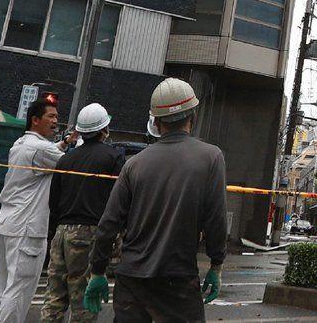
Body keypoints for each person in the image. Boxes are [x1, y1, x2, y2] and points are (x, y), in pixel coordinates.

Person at [84, 78, 226, 321]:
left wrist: (97, 271)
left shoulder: (134, 164)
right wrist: (216, 263)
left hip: (130, 281)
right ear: (193, 114)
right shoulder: (211, 158)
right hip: (178, 279)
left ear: (156, 122)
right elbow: (216, 218)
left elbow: (109, 224)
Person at [0, 99, 77, 323]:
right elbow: (70, 164)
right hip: (27, 229)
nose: (56, 121)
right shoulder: (40, 149)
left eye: (57, 116)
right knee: (19, 288)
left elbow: (49, 155)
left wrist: (65, 142)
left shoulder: (20, 144)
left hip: (7, 222)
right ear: (35, 120)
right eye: (50, 116)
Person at [41, 103, 125, 323]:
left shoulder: (65, 159)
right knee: (84, 302)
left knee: (54, 298)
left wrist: (54, 231)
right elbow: (119, 200)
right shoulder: (113, 158)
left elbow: (54, 201)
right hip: (89, 233)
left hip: (61, 232)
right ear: (104, 130)